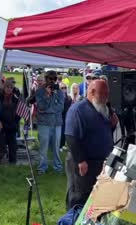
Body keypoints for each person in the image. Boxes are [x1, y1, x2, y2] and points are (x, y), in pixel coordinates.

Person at [64, 79, 117, 209]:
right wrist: (81, 160)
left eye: (107, 94)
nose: (106, 98)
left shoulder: (103, 108)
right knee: (79, 195)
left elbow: (104, 131)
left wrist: (113, 124)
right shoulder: (78, 110)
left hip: (99, 162)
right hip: (83, 161)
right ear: (92, 92)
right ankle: (72, 222)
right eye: (103, 94)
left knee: (94, 196)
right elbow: (71, 136)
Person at [36, 70, 64, 174]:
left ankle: (57, 167)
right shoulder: (39, 91)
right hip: (44, 123)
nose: (52, 81)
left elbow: (61, 107)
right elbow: (41, 106)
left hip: (57, 123)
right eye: (50, 79)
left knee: (56, 147)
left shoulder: (59, 91)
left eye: (54, 79)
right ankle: (42, 167)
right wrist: (47, 96)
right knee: (43, 147)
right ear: (46, 79)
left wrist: (48, 110)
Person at [0, 81, 20, 164]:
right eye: (7, 87)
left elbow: (19, 112)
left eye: (11, 87)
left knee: (13, 145)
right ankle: (0, 161)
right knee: (0, 143)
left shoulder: (15, 98)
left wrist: (15, 122)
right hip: (1, 124)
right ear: (4, 87)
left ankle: (13, 163)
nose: (9, 89)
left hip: (12, 125)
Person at [60, 82, 73, 151]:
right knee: (61, 132)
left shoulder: (69, 98)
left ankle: (62, 145)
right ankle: (59, 146)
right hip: (59, 117)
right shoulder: (58, 97)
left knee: (65, 132)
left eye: (65, 88)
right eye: (62, 88)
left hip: (66, 117)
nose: (64, 89)